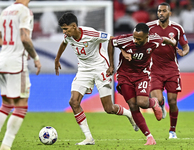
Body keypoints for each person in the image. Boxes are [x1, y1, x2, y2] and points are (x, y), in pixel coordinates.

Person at [54, 12, 139, 146]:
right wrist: (57, 59)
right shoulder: (68, 36)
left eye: (66, 29)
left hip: (100, 68)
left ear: (74, 26)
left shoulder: (91, 34)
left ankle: (129, 114)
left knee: (109, 108)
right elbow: (64, 43)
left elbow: (112, 39)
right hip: (83, 70)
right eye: (63, 29)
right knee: (74, 102)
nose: (64, 32)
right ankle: (89, 138)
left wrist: (117, 57)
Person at [107, 23, 176, 145]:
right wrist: (112, 65)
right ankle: (149, 137)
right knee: (133, 106)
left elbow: (164, 40)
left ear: (147, 37)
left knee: (142, 103)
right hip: (124, 76)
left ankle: (154, 102)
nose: (135, 40)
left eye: (138, 39)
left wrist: (173, 43)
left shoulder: (154, 40)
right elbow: (111, 42)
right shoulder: (126, 40)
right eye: (134, 37)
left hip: (142, 75)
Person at [0, 0, 41, 150]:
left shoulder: (6, 10)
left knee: (6, 105)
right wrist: (35, 58)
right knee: (21, 106)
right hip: (16, 64)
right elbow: (25, 38)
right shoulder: (25, 11)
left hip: (1, 62)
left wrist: (10, 47)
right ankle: (6, 146)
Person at [146, 2, 190, 139]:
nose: (161, 13)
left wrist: (184, 52)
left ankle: (172, 131)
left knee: (173, 102)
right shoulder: (149, 27)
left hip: (171, 69)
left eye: (164, 11)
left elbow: (186, 46)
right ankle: (160, 103)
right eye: (159, 11)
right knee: (157, 100)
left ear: (169, 13)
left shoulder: (177, 28)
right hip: (155, 69)